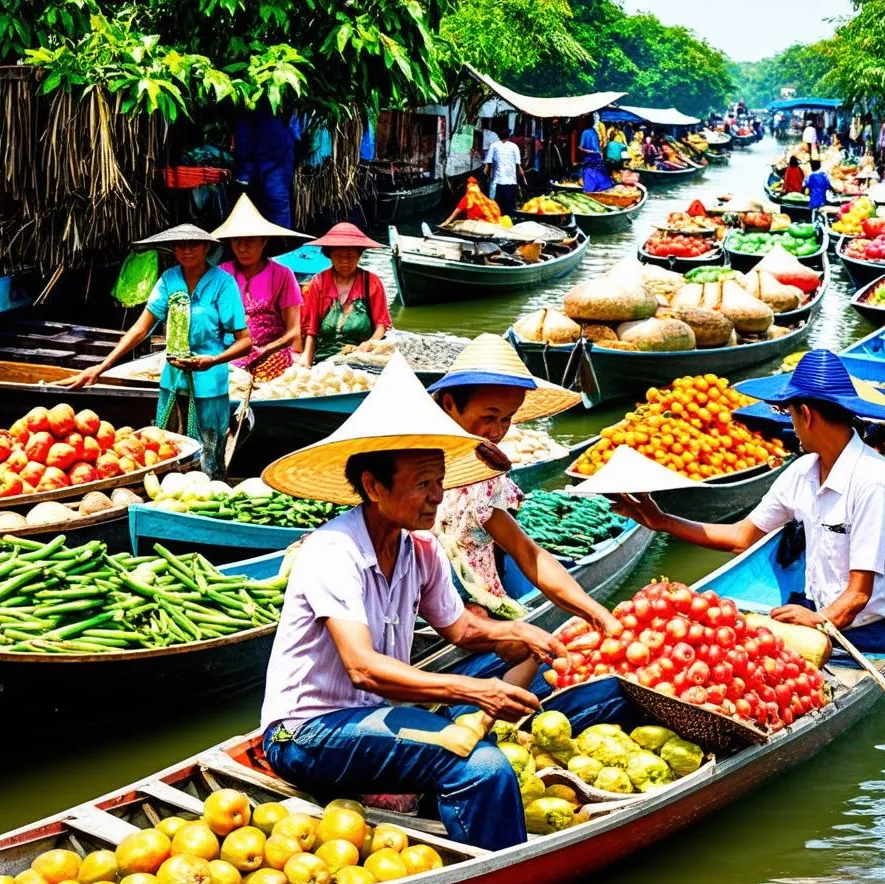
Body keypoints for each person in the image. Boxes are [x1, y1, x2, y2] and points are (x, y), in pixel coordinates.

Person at [258, 356, 566, 851]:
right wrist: (473, 692)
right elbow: (364, 670)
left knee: (536, 667)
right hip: (307, 734)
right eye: (423, 485)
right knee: (481, 764)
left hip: (368, 715)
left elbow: (461, 630)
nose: (436, 498)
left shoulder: (419, 549)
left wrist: (520, 634)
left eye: (440, 483)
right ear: (374, 487)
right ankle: (493, 873)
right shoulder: (334, 552)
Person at [614, 350, 885, 653]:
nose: (792, 425)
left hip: (876, 625)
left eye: (790, 415)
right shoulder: (803, 471)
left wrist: (818, 621)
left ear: (806, 414)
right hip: (821, 607)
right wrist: (662, 521)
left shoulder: (874, 484)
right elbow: (740, 537)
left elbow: (858, 595)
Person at [428, 334, 624, 642]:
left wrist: (596, 613)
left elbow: (526, 551)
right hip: (422, 606)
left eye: (507, 419)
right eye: (489, 417)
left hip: (476, 596)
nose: (497, 432)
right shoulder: (412, 460)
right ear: (450, 404)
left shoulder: (484, 470)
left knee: (528, 647)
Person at [63, 224, 250, 479]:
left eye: (192, 245)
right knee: (166, 450)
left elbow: (245, 341)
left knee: (208, 454)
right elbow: (141, 328)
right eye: (179, 246)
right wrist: (101, 367)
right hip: (172, 381)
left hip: (209, 383)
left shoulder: (222, 283)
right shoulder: (169, 280)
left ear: (206, 247)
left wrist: (213, 360)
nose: (186, 251)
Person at [212, 194, 309, 382]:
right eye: (237, 241)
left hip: (271, 353)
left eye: (250, 241)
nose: (243, 248)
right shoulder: (220, 274)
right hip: (226, 354)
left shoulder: (283, 274)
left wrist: (265, 351)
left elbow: (293, 332)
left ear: (263, 241)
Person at [299, 222, 391, 365]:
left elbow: (382, 324)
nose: (345, 261)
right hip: (324, 358)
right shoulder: (318, 282)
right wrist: (306, 360)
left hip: (362, 357)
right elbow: (311, 330)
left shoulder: (371, 282)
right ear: (329, 255)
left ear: (360, 255)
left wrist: (371, 343)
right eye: (338, 256)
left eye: (350, 255)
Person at [235, 108, 296, 229]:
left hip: (272, 153)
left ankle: (279, 241)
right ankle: (279, 241)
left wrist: (244, 175)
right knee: (275, 202)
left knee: (274, 200)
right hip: (275, 149)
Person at [484, 127, 526, 217]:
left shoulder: (494, 146)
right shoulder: (514, 146)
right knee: (509, 206)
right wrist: (521, 179)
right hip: (511, 181)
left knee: (496, 206)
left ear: (499, 136)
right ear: (509, 136)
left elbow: (489, 163)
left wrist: (487, 176)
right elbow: (518, 165)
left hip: (497, 180)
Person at [578, 115, 614, 193]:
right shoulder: (594, 131)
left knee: (589, 174)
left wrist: (586, 151)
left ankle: (590, 191)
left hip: (589, 157)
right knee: (599, 173)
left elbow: (581, 147)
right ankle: (602, 190)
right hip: (597, 156)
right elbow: (597, 147)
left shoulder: (585, 132)